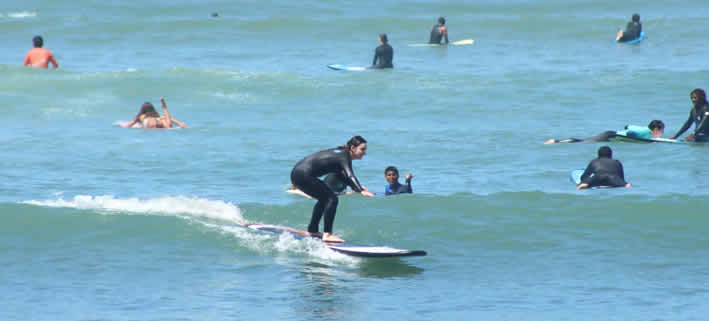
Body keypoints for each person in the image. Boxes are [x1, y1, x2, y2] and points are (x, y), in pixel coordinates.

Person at [290, 136, 376, 243]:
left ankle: (312, 230)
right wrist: (360, 190)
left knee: (324, 199)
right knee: (332, 199)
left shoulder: (341, 154)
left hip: (298, 175)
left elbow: (342, 176)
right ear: (353, 148)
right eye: (362, 149)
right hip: (303, 175)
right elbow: (350, 175)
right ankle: (327, 234)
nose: (364, 153)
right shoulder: (344, 156)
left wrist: (356, 187)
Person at [544, 120, 665, 144]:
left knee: (584, 141)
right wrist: (631, 136)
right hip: (611, 136)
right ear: (656, 129)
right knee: (583, 141)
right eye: (661, 131)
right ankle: (556, 141)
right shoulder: (646, 131)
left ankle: (556, 141)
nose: (661, 133)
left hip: (611, 134)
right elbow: (630, 131)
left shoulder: (646, 131)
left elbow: (627, 125)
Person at [123, 97, 188, 129]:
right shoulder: (157, 116)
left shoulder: (141, 116)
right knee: (168, 125)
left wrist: (122, 125)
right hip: (159, 121)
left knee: (164, 125)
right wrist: (180, 123)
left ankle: (164, 107)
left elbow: (129, 125)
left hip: (149, 123)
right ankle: (164, 107)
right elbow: (170, 118)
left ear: (142, 110)